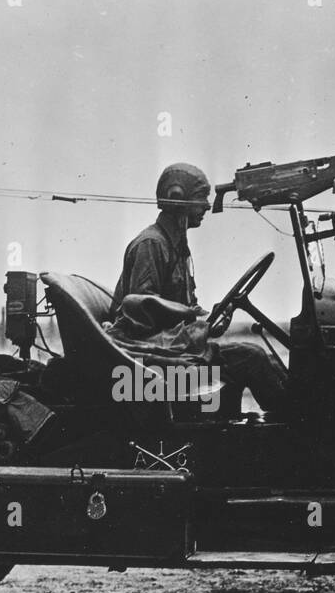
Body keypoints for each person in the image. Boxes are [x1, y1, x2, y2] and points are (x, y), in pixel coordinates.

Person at [111, 162, 288, 414]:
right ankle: (299, 433)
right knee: (253, 357)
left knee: (265, 359)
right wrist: (193, 317)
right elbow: (141, 313)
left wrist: (207, 322)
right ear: (177, 198)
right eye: (200, 198)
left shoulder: (176, 247)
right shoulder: (152, 244)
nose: (206, 206)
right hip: (152, 361)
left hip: (174, 352)